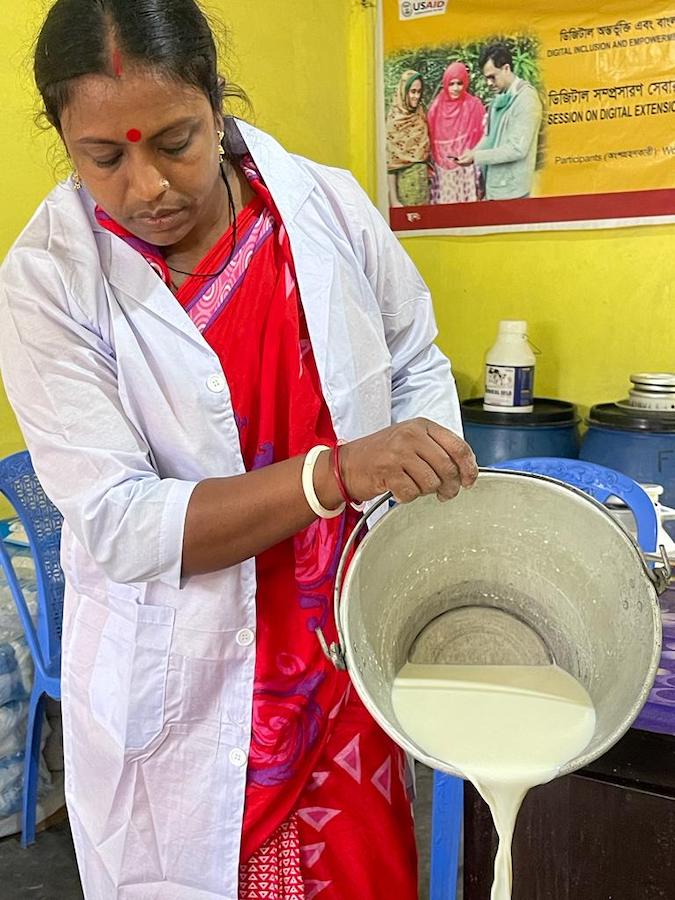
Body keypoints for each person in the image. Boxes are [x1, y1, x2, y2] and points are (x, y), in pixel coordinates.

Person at [0, 2, 477, 899]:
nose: (147, 187)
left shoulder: (324, 208)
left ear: (216, 106)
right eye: (103, 157)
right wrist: (334, 473)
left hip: (339, 655)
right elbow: (122, 522)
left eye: (175, 140)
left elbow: (412, 358)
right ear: (64, 140)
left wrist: (417, 458)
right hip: (187, 684)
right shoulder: (48, 284)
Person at [457, 43, 542, 200]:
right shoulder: (500, 97)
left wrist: (477, 157)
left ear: (506, 68)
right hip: (494, 186)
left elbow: (517, 149)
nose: (489, 83)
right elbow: (489, 137)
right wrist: (472, 153)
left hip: (513, 192)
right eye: (486, 78)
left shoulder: (526, 99)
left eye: (492, 77)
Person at [427, 61, 485, 204]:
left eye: (459, 83)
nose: (456, 88)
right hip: (443, 172)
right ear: (445, 84)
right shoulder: (436, 108)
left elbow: (485, 136)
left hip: (467, 169)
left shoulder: (474, 105)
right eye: (451, 84)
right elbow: (429, 138)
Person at [385, 69, 431, 207]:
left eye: (419, 92)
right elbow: (391, 165)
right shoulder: (395, 120)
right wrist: (394, 200)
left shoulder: (420, 113)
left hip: (424, 186)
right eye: (412, 91)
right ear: (403, 92)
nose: (416, 96)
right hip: (404, 191)